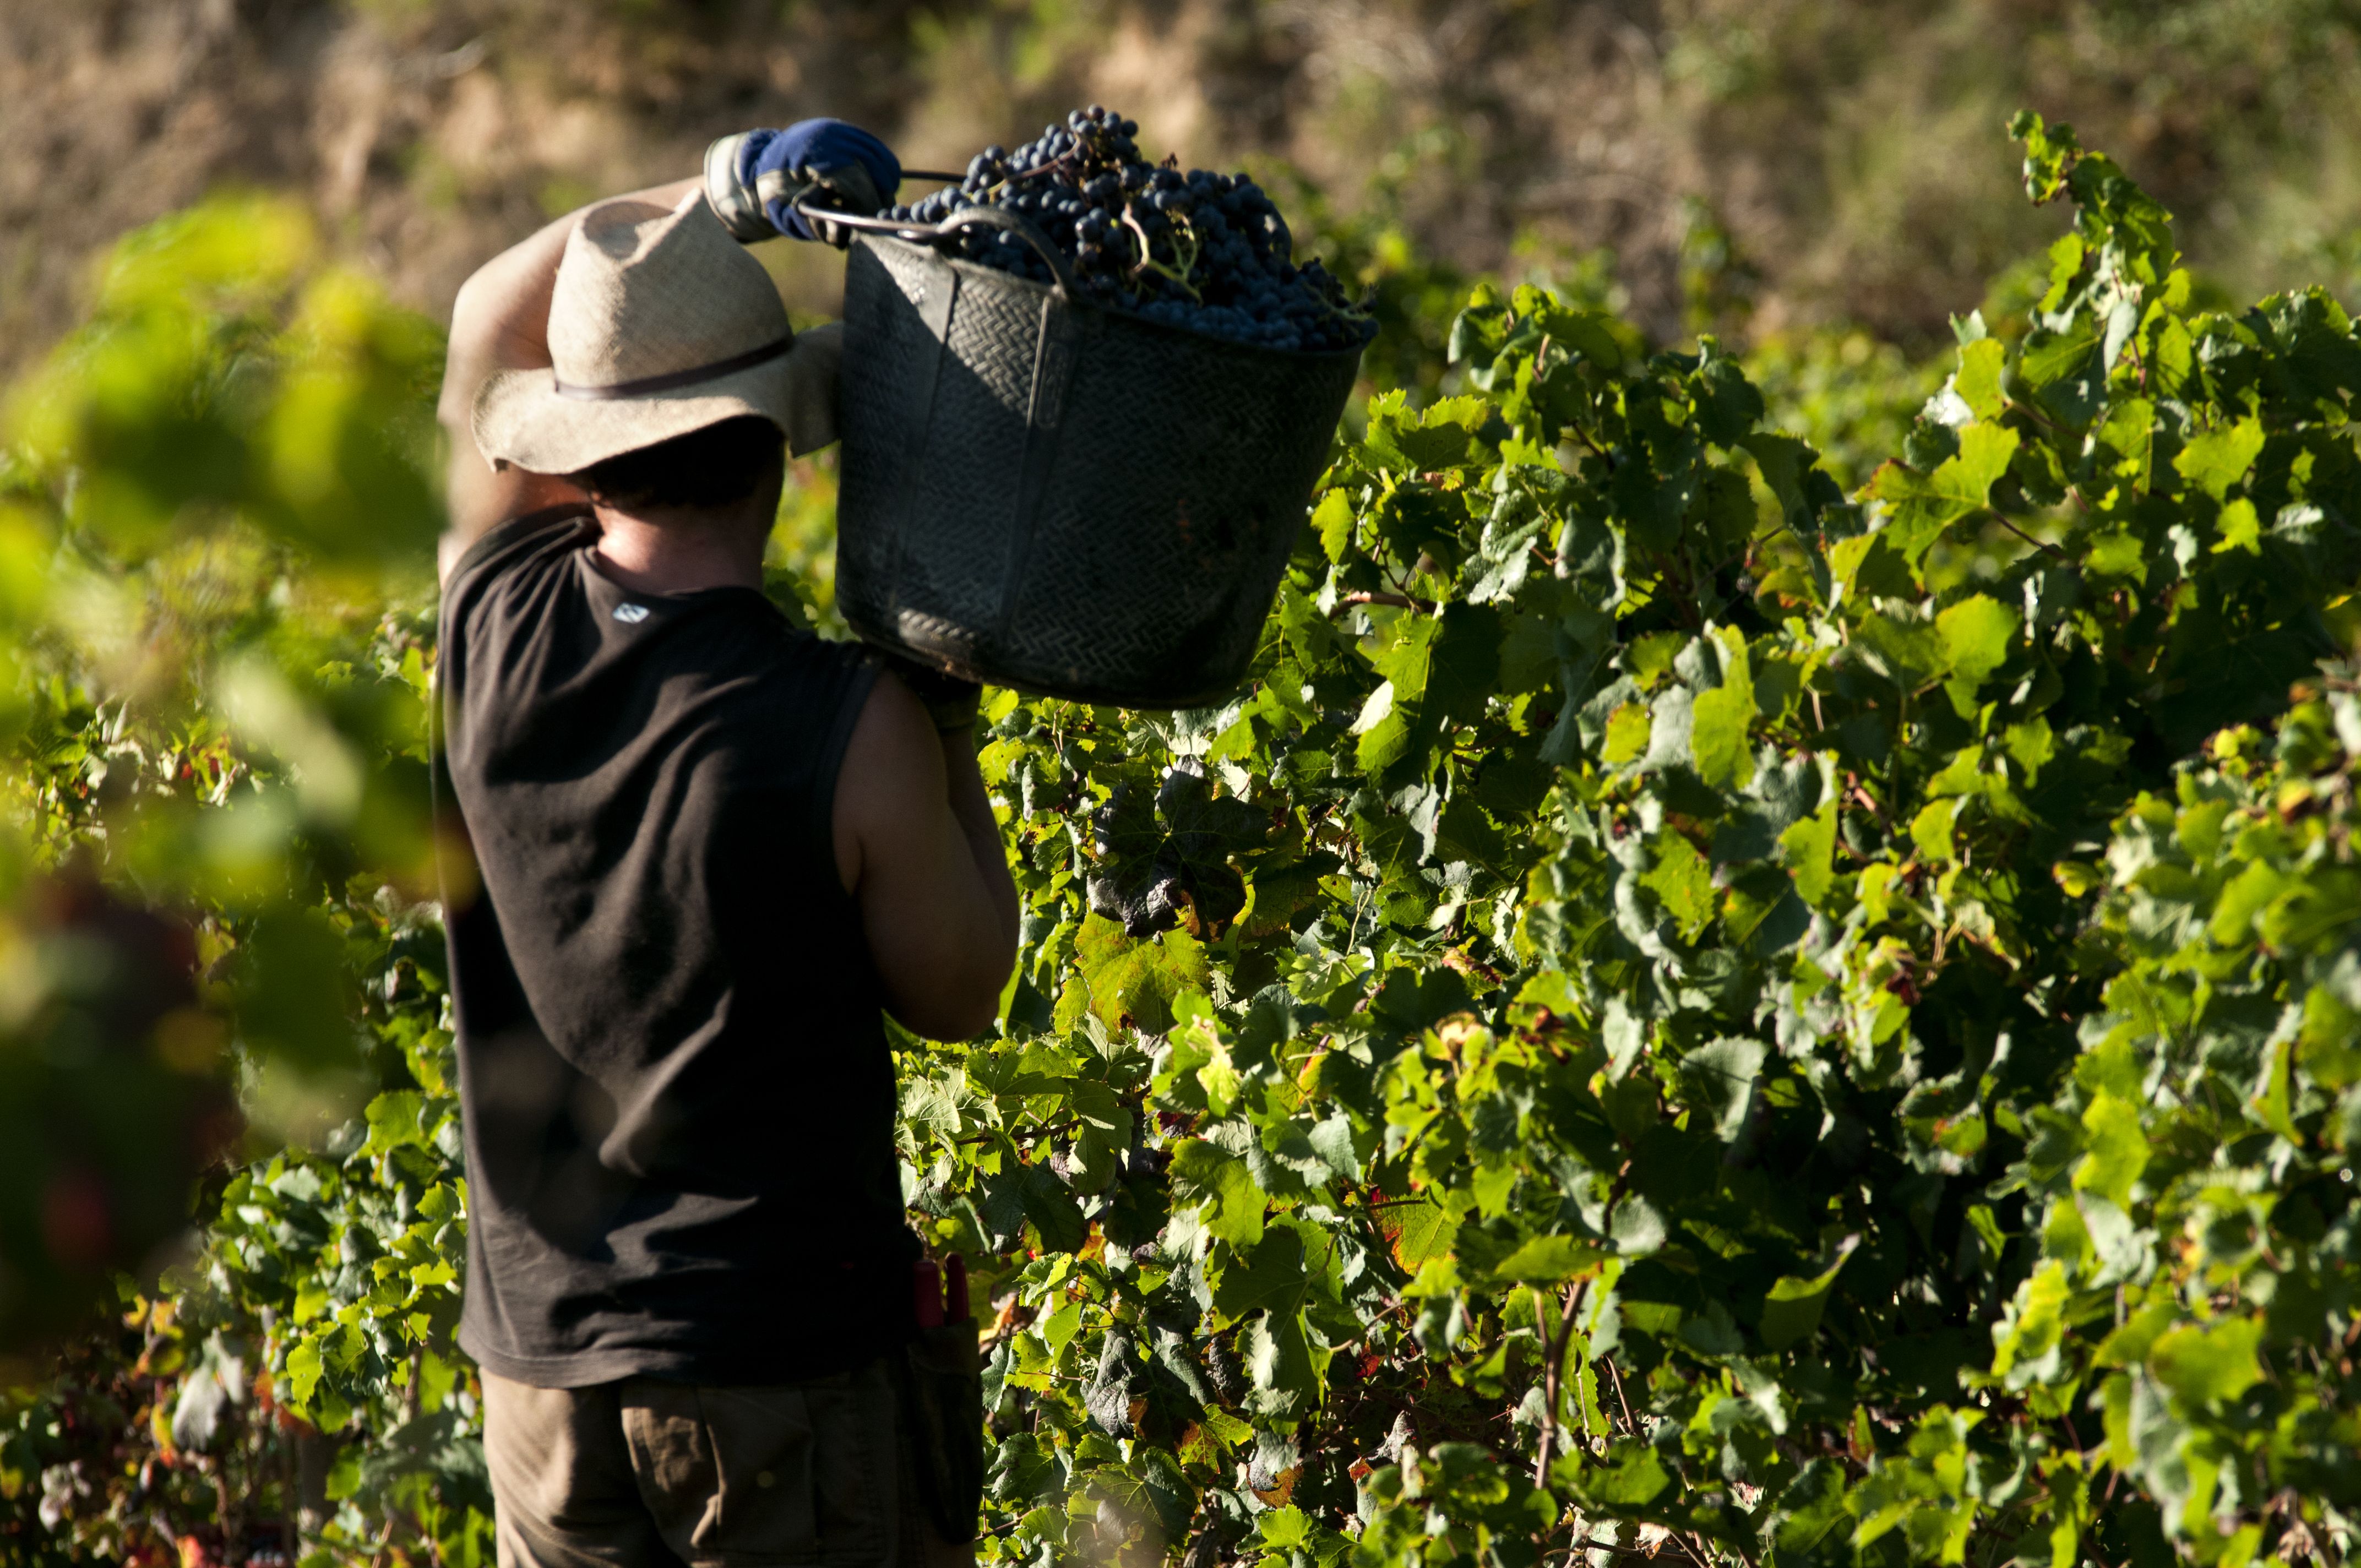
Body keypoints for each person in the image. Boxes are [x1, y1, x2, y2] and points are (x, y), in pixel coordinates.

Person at [432, 118, 1019, 1568]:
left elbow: (481, 317)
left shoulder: (485, 612)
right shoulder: (849, 725)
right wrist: (948, 721)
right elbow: (963, 989)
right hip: (775, 1375)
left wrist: (711, 196)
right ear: (782, 450)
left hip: (539, 1369)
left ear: (577, 448)